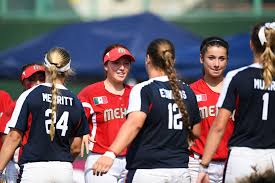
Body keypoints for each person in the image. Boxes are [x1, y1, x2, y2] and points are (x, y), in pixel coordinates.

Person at [92, 38, 201, 183]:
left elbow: (134, 124)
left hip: (149, 171)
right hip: (180, 171)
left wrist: (110, 154)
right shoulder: (188, 91)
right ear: (172, 60)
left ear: (148, 59)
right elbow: (196, 132)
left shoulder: (144, 89)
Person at [197, 22, 275, 183]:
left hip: (242, 159)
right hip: (272, 159)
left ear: (251, 45)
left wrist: (203, 166)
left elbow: (219, 127)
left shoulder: (237, 76)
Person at [0, 47, 90, 183]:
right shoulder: (76, 101)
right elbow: (76, 147)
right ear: (68, 69)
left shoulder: (29, 95)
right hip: (64, 171)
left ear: (45, 66)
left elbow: (14, 137)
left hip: (34, 170)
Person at [78, 43, 135, 183]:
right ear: (105, 65)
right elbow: (71, 120)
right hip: (100, 159)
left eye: (126, 63)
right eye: (116, 63)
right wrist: (81, 130)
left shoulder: (135, 93)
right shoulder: (90, 92)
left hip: (132, 162)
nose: (122, 68)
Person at [188, 37, 234, 183]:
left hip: (231, 163)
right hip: (197, 163)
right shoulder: (191, 91)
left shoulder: (236, 89)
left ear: (227, 60)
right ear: (201, 58)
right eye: (211, 58)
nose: (216, 64)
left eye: (222, 59)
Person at [0, 63, 46, 183]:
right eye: (31, 79)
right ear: (23, 83)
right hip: (18, 165)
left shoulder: (56, 104)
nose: (37, 83)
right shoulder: (16, 105)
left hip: (47, 165)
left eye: (42, 78)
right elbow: (6, 138)